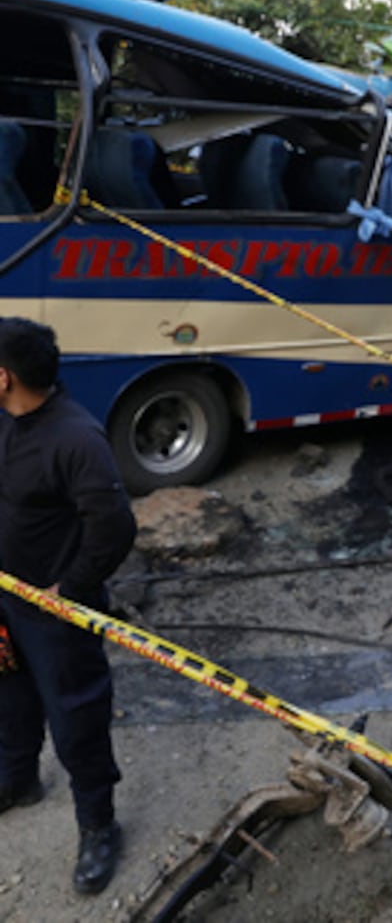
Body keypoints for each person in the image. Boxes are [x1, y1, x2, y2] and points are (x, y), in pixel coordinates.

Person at [0, 317, 136, 894]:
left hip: (56, 614)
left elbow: (114, 528)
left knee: (76, 717)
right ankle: (17, 780)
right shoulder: (4, 419)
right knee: (8, 695)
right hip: (5, 600)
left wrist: (71, 592)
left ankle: (98, 825)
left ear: (3, 377)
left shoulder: (75, 439)